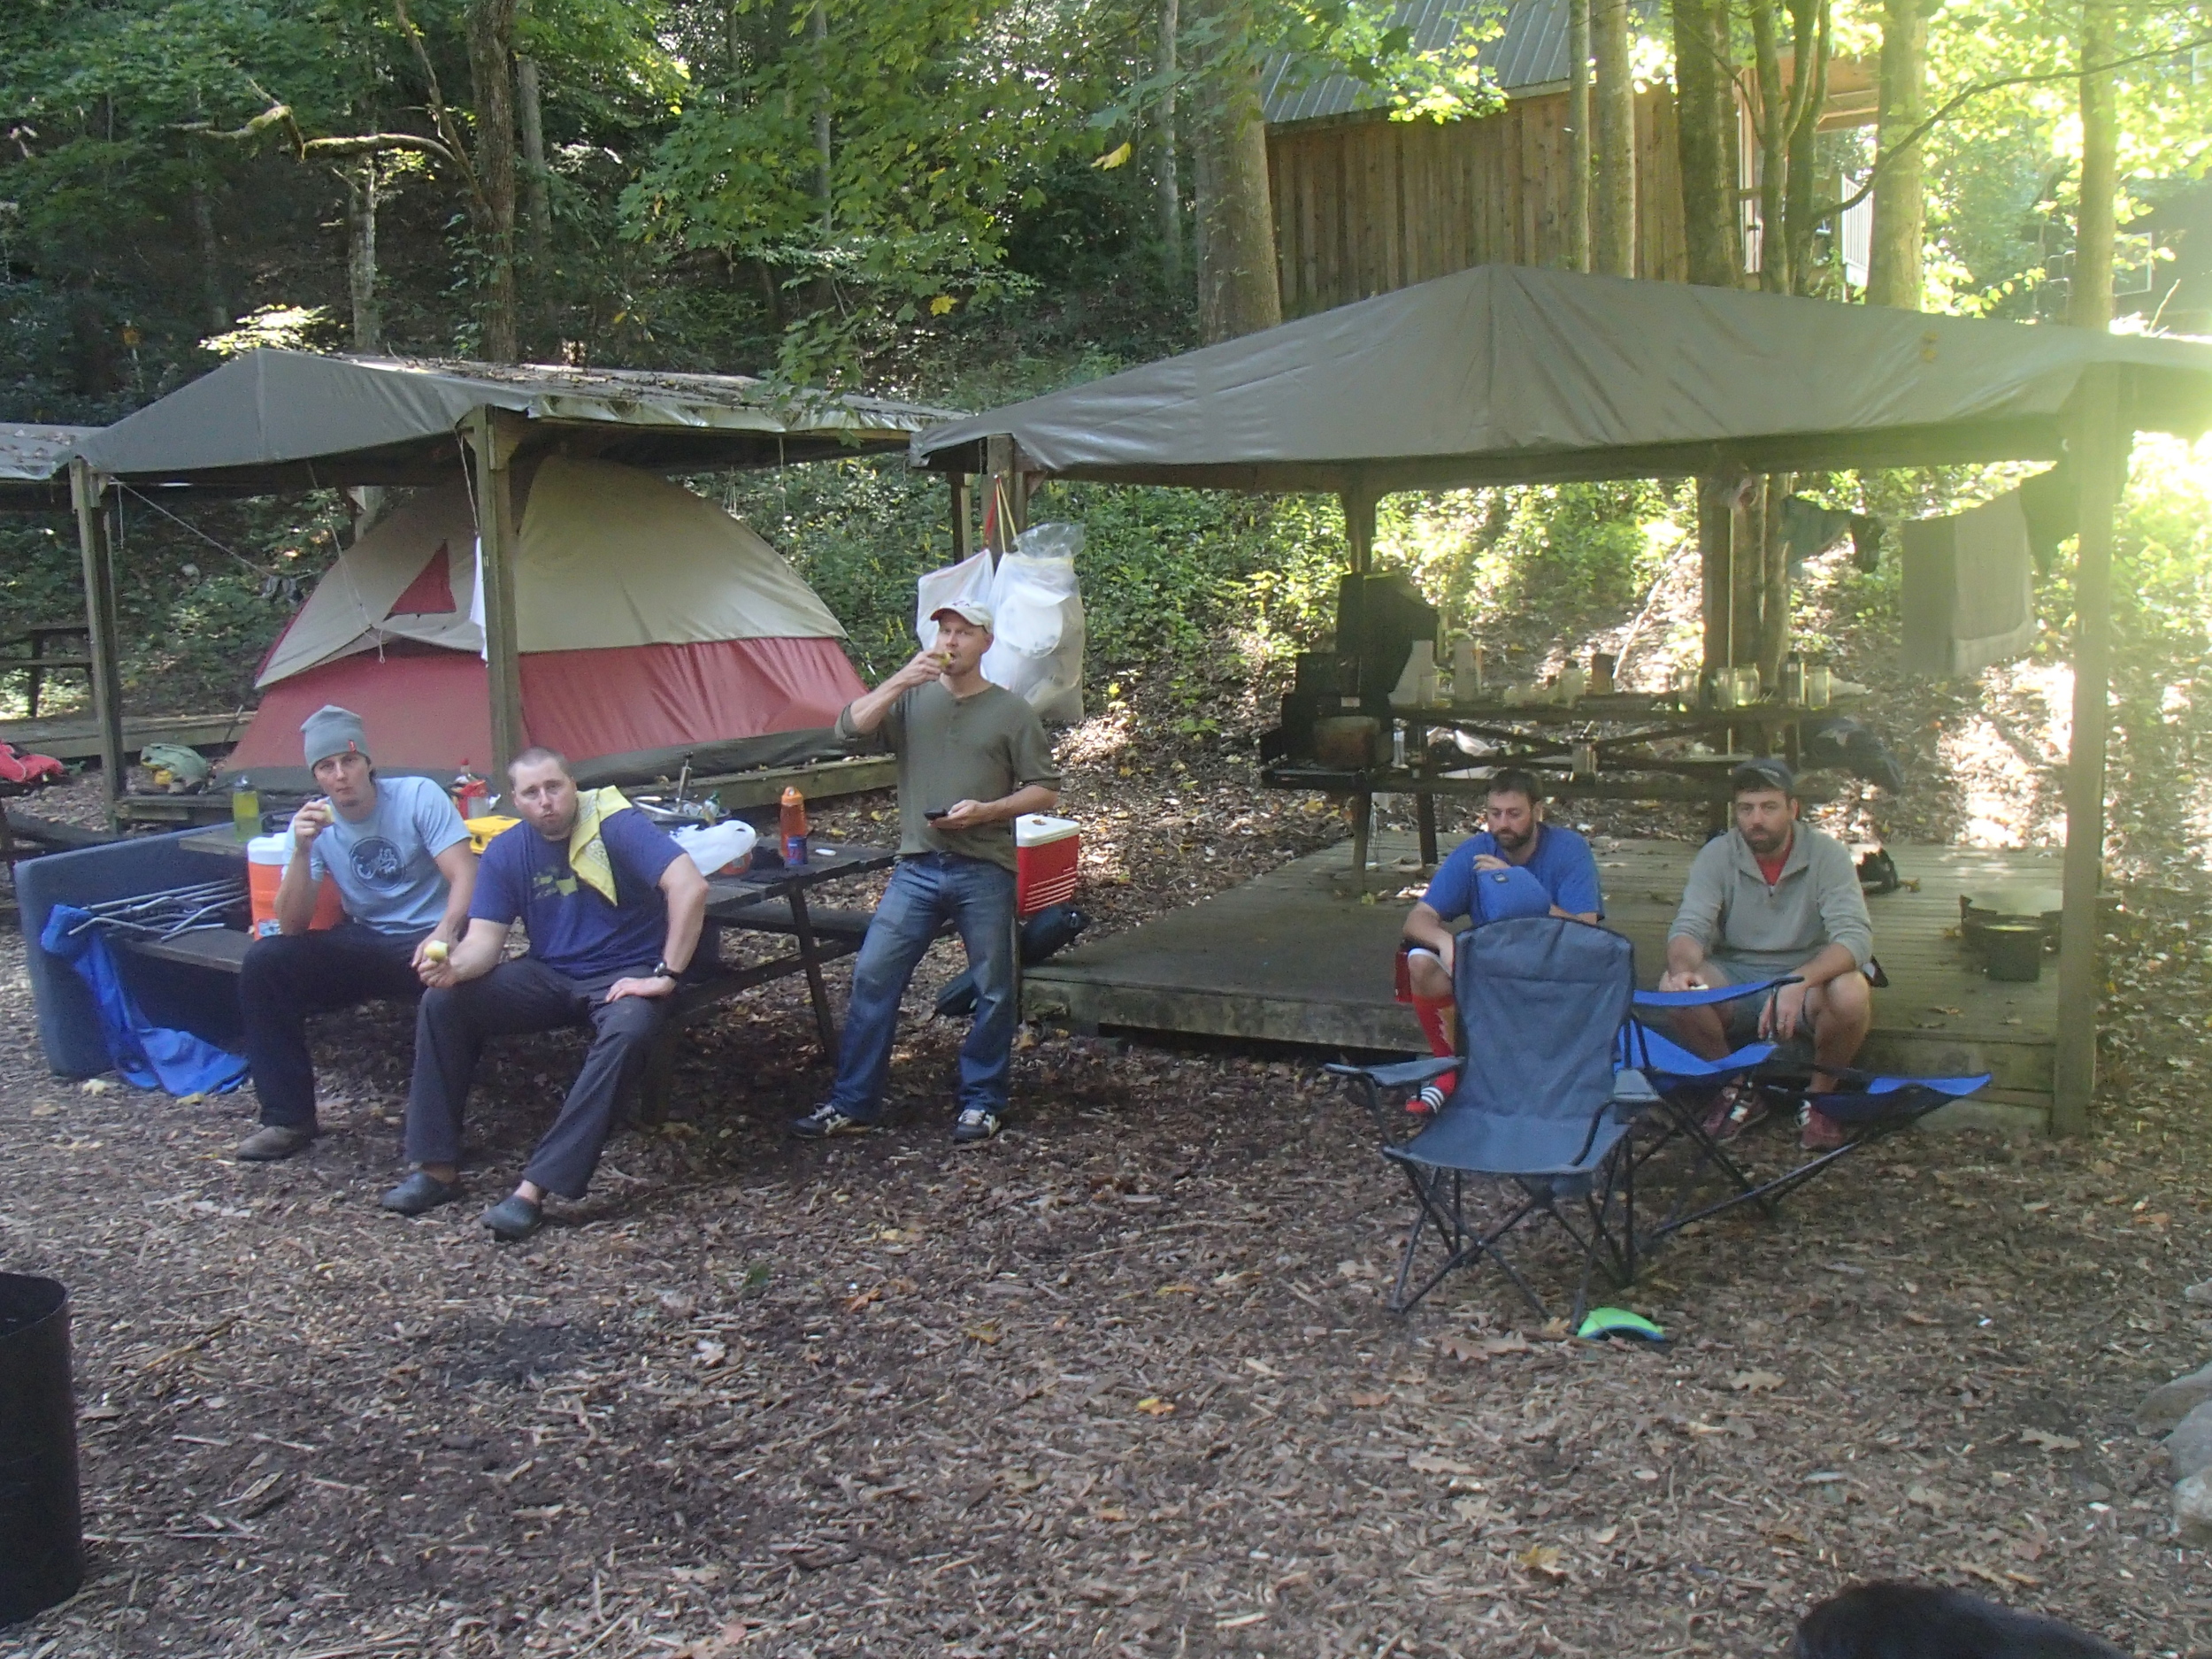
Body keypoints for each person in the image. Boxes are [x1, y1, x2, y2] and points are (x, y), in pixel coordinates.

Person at [380, 748, 709, 1240]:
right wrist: (453, 968)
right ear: (514, 800)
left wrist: (666, 973)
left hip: (626, 973)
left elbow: (690, 886)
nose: (546, 801)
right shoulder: (507, 851)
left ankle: (535, 1188)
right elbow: (486, 944)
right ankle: (436, 1169)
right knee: (445, 1003)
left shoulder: (614, 825)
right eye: (531, 793)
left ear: (572, 784)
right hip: (551, 972)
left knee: (629, 1031)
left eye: (553, 787)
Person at [789, 600, 1061, 1145]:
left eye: (964, 633)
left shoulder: (1012, 712)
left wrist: (988, 811)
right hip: (916, 866)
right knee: (873, 974)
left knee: (994, 987)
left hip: (984, 866)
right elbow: (847, 730)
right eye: (944, 631)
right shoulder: (912, 700)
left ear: (986, 643)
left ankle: (982, 1101)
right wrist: (898, 680)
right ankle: (853, 1102)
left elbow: (1044, 789)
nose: (951, 642)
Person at [234, 705, 475, 1162]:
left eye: (349, 762)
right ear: (317, 777)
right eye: (327, 767)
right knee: (266, 962)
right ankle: (288, 1119)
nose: (341, 775)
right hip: (365, 939)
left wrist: (445, 930)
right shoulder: (313, 824)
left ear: (367, 762)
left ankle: (439, 1135)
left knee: (449, 991)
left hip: (426, 935)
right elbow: (291, 926)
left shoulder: (417, 796)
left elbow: (466, 874)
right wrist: (302, 851)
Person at [1659, 757, 1875, 1150]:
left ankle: (1820, 1098)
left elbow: (1856, 939)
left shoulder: (1827, 854)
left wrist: (1798, 981)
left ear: (1793, 809)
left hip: (1808, 978)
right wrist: (1682, 968)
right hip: (1737, 973)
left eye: (1768, 807)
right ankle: (1737, 1090)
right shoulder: (1718, 854)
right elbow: (1690, 927)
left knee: (1853, 990)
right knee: (1673, 988)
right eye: (1746, 808)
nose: (1756, 819)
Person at [1397, 767, 1604, 1109]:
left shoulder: (1570, 850)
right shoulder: (1476, 853)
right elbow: (1417, 919)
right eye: (1495, 814)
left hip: (1553, 975)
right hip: (1491, 973)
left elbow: (1587, 934)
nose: (1503, 824)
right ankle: (1449, 1070)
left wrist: (1519, 886)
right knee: (1420, 961)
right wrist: (1448, 943)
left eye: (1514, 814)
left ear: (1538, 812)